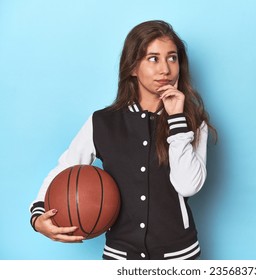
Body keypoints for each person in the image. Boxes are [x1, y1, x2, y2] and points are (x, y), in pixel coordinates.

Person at [29, 20, 216, 260]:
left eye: (172, 58)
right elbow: (65, 168)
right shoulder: (102, 122)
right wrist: (38, 215)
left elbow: (188, 185)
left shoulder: (192, 122)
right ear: (132, 68)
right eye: (153, 59)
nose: (165, 70)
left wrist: (176, 120)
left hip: (180, 257)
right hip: (120, 257)